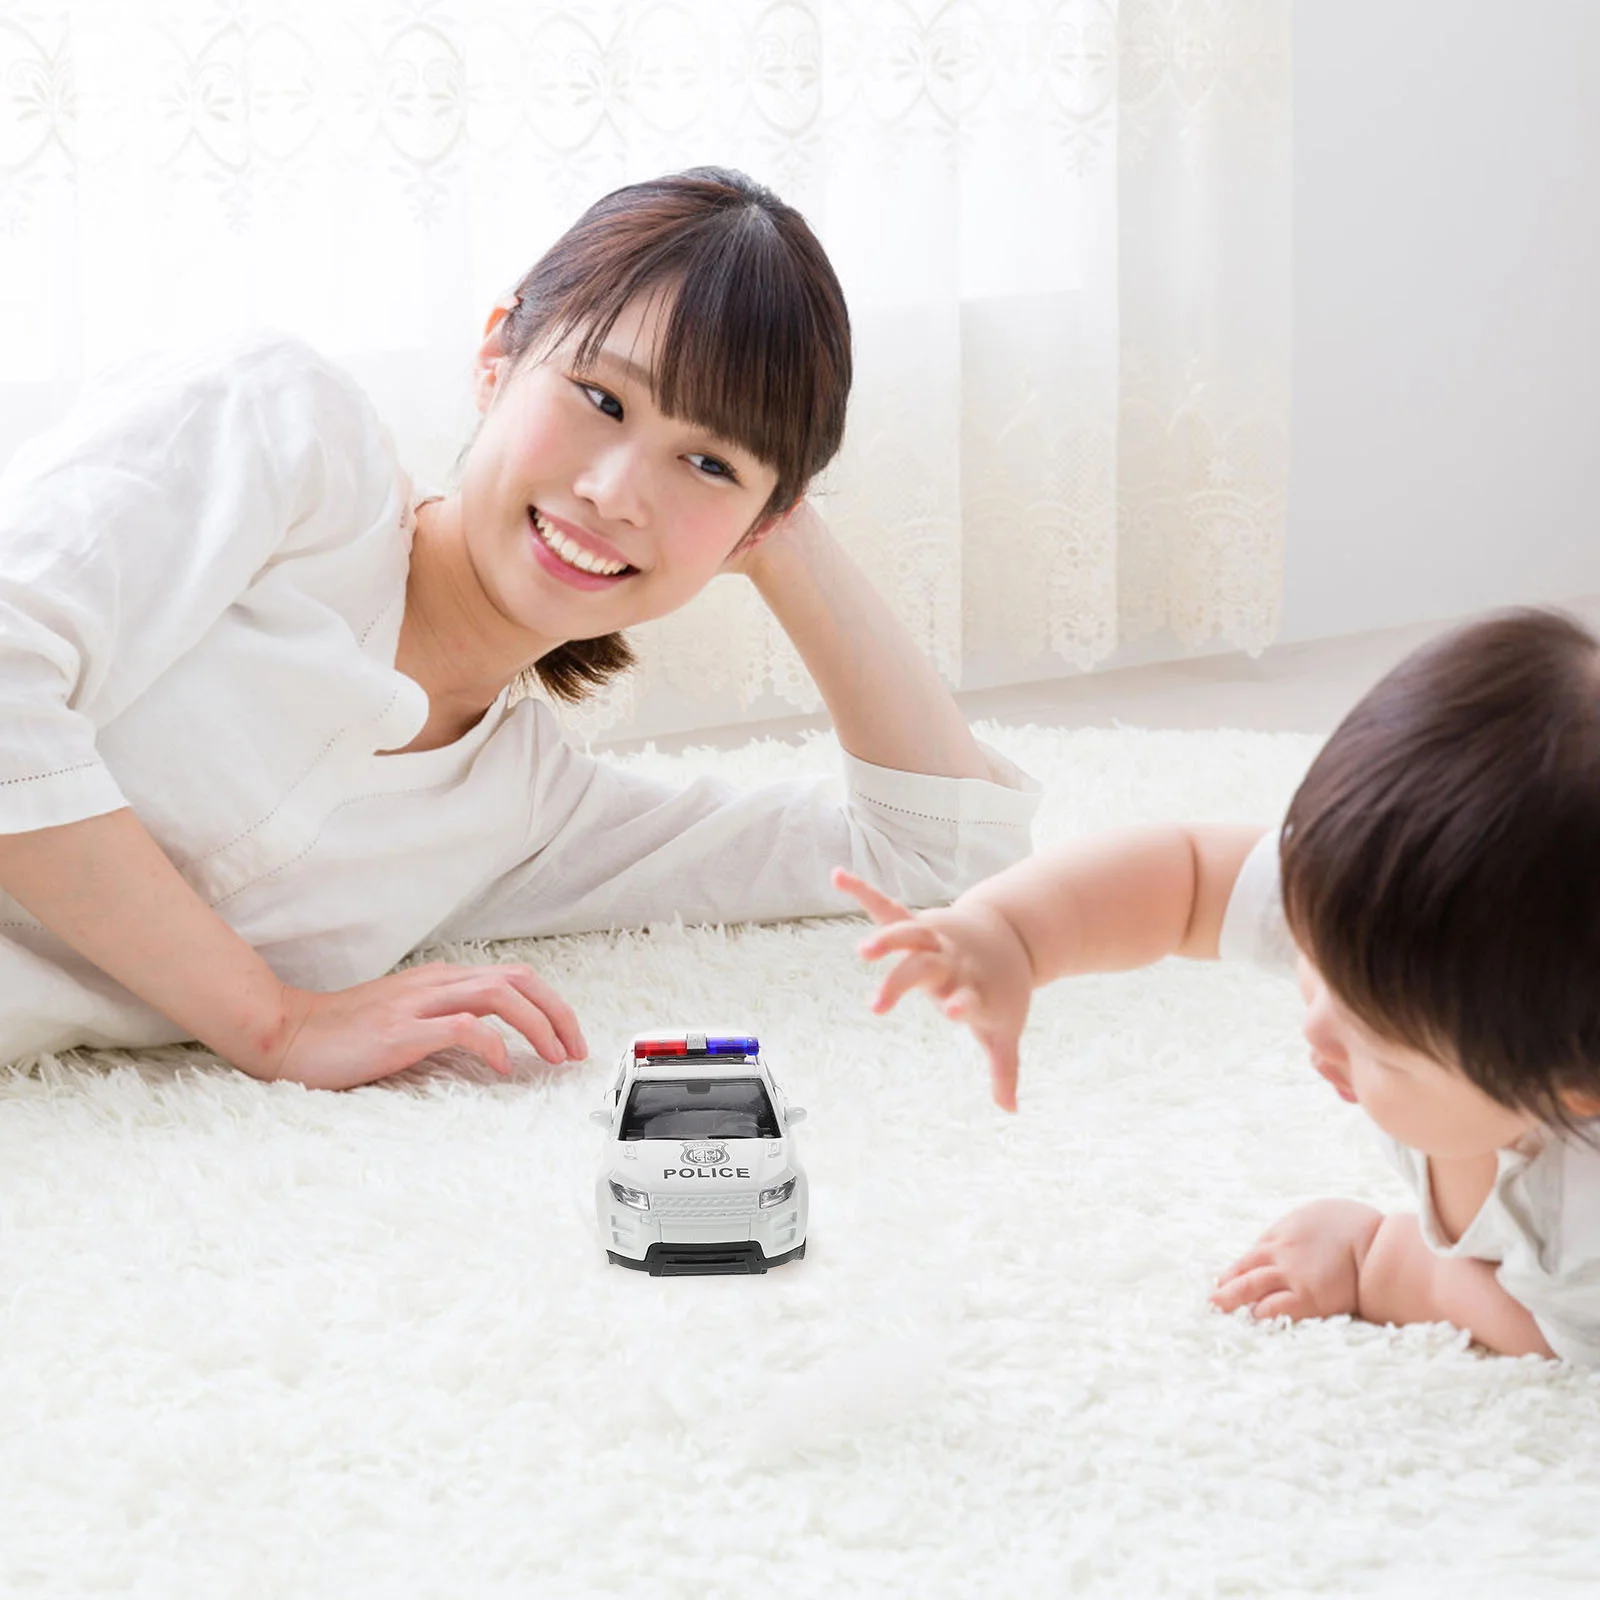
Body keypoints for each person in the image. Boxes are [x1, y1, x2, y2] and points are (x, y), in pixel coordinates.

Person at [0, 167, 1039, 1089]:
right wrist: (273, 1022)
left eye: (708, 463)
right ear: (499, 352)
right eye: (600, 397)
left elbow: (933, 859)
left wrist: (777, 535)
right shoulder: (289, 435)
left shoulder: (524, 813)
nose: (614, 491)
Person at [837, 608, 1600, 1361]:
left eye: (1386, 1048)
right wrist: (1009, 934)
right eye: (1316, 962)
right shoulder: (1384, 910)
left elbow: (1548, 1333)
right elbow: (1192, 874)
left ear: (1575, 1088)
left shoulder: (1580, 1229)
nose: (1318, 1029)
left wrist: (1383, 1259)